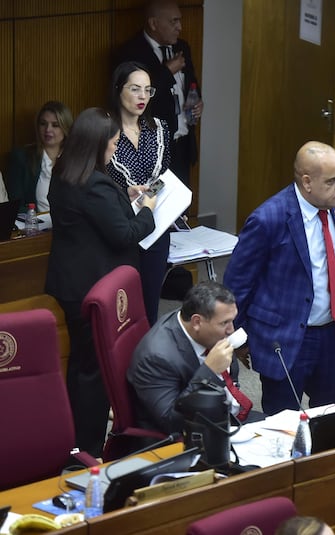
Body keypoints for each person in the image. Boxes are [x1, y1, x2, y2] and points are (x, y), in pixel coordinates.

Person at [45, 107, 157, 457]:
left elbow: (101, 214)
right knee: (92, 373)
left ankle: (75, 440)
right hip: (92, 289)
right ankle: (88, 449)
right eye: (112, 143)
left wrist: (126, 196)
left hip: (72, 284)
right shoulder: (93, 183)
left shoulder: (66, 171)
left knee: (82, 365)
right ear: (96, 144)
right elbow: (124, 234)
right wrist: (149, 210)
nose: (114, 148)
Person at [223, 141, 335, 415]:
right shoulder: (268, 219)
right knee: (282, 424)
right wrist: (238, 338)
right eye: (333, 180)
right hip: (285, 338)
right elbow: (237, 284)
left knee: (330, 415)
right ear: (307, 182)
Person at [128, 281, 260, 435]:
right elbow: (171, 422)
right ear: (197, 322)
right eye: (224, 323)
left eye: (232, 320)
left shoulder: (199, 321)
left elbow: (232, 377)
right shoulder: (156, 358)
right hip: (188, 437)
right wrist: (209, 372)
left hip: (223, 415)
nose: (231, 330)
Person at [108, 61, 172, 325]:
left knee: (148, 306)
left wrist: (152, 196)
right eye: (135, 89)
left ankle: (146, 364)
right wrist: (126, 191)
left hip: (154, 226)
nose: (143, 96)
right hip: (118, 227)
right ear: (118, 89)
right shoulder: (105, 129)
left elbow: (164, 177)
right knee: (120, 309)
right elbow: (95, 181)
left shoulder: (159, 128)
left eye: (148, 90)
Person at [114, 0, 202, 187]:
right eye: (174, 22)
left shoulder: (182, 47)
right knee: (154, 200)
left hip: (182, 145)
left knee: (180, 204)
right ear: (154, 24)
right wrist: (167, 71)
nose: (180, 27)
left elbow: (192, 83)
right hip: (152, 149)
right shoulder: (129, 52)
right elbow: (136, 96)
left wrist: (197, 100)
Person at [6, 101, 73, 213]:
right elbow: (15, 204)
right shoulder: (22, 158)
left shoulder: (75, 158)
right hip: (36, 226)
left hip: (71, 225)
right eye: (43, 123)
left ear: (65, 128)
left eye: (55, 125)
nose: (48, 130)